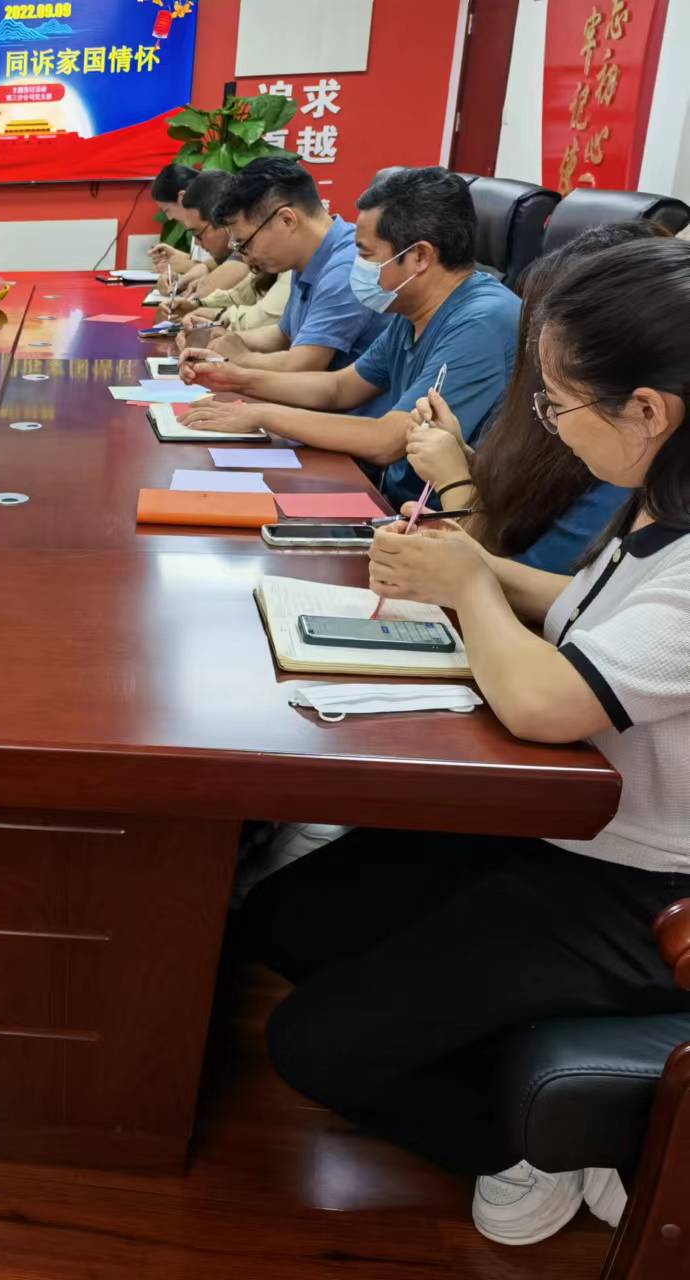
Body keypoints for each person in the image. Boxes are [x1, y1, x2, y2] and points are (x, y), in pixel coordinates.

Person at [241, 236, 690, 1248]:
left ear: (648, 410)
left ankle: (541, 1148)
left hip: (642, 885)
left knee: (312, 1044)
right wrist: (467, 561)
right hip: (565, 823)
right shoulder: (661, 502)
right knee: (288, 916)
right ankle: (475, 1026)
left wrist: (470, 587)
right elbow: (583, 610)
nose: (547, 423)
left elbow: (544, 703)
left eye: (558, 404)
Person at [177, 166, 520, 508]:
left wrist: (261, 415)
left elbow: (387, 440)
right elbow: (340, 387)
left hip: (442, 522)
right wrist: (234, 378)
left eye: (366, 255)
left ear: (419, 256)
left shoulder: (482, 322)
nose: (355, 265)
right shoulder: (412, 309)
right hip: (396, 500)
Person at [401, 222, 663, 573]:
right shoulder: (552, 409)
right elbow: (516, 511)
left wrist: (453, 479)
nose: (536, 347)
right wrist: (463, 457)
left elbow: (543, 582)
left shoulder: (623, 457)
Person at [196, 156, 389, 371]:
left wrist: (240, 357)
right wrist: (227, 340)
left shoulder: (347, 268)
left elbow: (302, 364)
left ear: (286, 220)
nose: (246, 258)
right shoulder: (306, 258)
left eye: (245, 244)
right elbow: (283, 335)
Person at [164, 169, 251, 303]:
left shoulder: (249, 247)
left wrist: (204, 283)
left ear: (222, 220)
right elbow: (207, 266)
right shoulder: (229, 250)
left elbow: (205, 291)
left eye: (198, 234)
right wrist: (178, 283)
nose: (197, 243)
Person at [146, 162, 200, 278]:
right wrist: (176, 257)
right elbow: (209, 263)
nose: (170, 218)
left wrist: (188, 265)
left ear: (182, 198)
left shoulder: (216, 224)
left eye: (167, 210)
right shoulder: (199, 223)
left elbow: (230, 271)